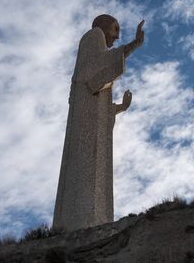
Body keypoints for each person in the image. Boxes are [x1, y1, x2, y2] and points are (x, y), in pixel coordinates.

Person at [53, 14, 145, 232]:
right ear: (104, 27)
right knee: (84, 170)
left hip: (91, 121)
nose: (114, 39)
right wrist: (133, 45)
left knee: (96, 172)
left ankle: (95, 223)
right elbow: (91, 75)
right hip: (84, 125)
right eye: (114, 31)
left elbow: (100, 100)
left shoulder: (101, 55)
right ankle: (80, 224)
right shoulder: (93, 36)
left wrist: (119, 107)